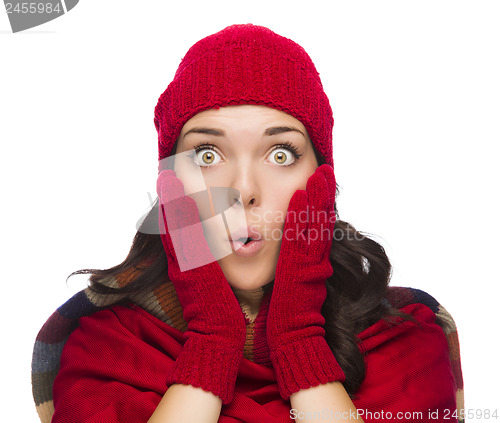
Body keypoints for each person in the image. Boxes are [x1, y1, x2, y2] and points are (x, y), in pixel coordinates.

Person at [31, 24, 464, 423]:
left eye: (281, 154)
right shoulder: (105, 348)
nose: (243, 190)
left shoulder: (405, 339)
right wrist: (212, 341)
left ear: (322, 183)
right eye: (207, 155)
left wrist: (299, 339)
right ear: (170, 188)